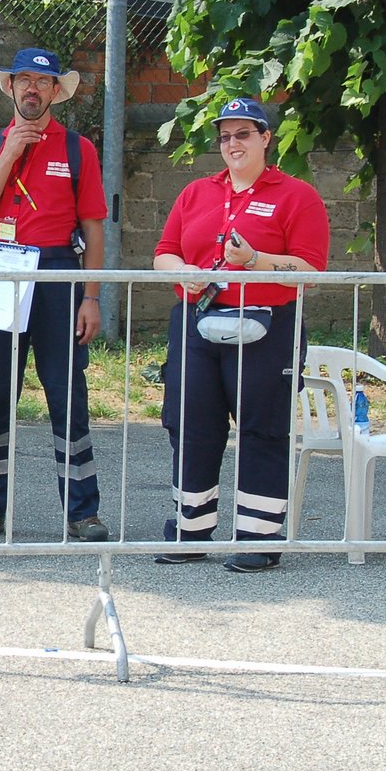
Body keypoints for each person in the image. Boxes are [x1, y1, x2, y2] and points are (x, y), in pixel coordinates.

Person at [151, 96, 330, 572]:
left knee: (262, 429)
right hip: (197, 321)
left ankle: (258, 536)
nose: (233, 144)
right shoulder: (195, 192)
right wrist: (185, 270)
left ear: (265, 138)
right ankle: (190, 530)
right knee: (190, 425)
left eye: (243, 134)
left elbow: (309, 269)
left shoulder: (298, 195)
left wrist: (256, 261)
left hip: (268, 324)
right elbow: (164, 253)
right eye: (225, 136)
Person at [0, 47, 110, 541]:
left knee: (67, 394)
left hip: (58, 274)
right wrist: (10, 154)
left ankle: (82, 511)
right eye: (24, 80)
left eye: (42, 83)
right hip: (1, 272)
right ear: (11, 88)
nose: (32, 89)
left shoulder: (77, 148)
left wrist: (91, 296)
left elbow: (94, 227)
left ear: (55, 92)